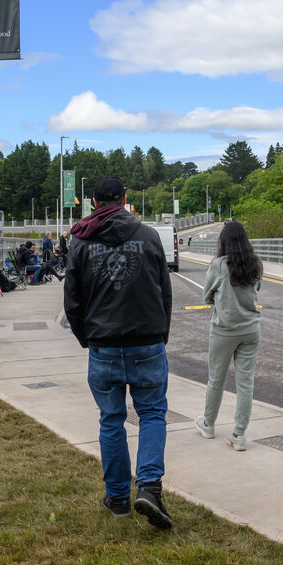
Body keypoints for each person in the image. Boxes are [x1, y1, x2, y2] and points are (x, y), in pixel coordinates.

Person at [64, 176, 174, 529]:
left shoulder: (81, 241)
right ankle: (149, 488)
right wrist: (161, 334)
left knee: (111, 420)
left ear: (94, 202)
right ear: (125, 200)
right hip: (147, 341)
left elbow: (73, 302)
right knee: (153, 413)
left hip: (104, 345)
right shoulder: (148, 236)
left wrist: (88, 339)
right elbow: (164, 292)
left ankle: (117, 498)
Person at [194, 221, 263, 451]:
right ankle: (239, 434)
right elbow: (256, 291)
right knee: (245, 383)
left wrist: (220, 299)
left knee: (216, 379)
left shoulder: (219, 265)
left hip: (224, 329)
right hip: (251, 329)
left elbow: (206, 295)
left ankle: (208, 424)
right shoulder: (255, 264)